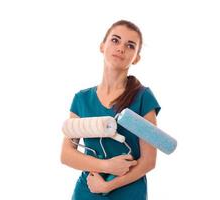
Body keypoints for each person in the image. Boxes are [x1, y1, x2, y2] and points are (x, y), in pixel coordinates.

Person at [61, 19, 161, 200]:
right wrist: (107, 166)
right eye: (115, 40)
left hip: (129, 193)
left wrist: (108, 185)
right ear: (102, 46)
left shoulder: (143, 97)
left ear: (136, 57)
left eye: (130, 45)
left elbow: (148, 161)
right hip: (87, 190)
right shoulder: (81, 99)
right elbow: (67, 154)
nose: (121, 48)